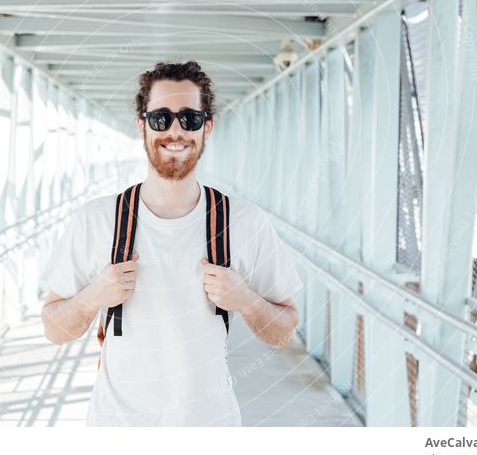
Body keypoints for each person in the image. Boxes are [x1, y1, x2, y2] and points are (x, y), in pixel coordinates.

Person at [41, 61, 304, 426]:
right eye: (161, 118)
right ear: (142, 126)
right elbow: (54, 329)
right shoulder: (96, 220)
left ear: (207, 126)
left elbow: (284, 332)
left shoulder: (245, 222)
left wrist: (247, 300)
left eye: (190, 118)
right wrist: (93, 296)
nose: (176, 131)